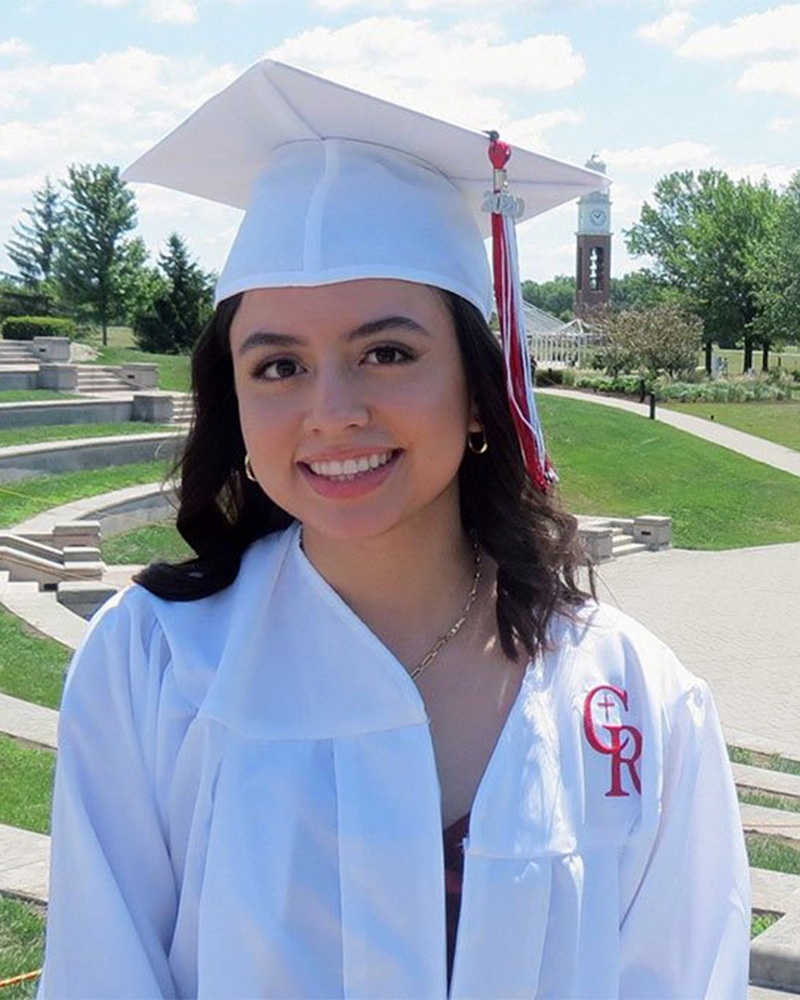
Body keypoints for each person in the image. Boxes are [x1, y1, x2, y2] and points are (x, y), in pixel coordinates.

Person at [39, 61, 750, 999]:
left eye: (387, 352)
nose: (332, 412)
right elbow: (103, 972)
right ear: (234, 404)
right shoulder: (156, 668)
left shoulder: (636, 701)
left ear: (479, 395)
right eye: (279, 366)